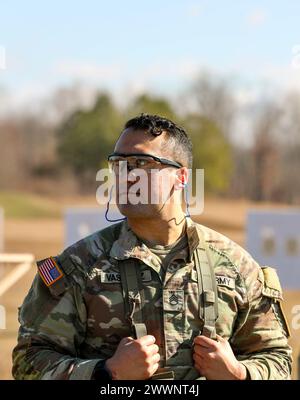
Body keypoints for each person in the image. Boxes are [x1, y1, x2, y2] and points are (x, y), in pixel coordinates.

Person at [12, 114, 292, 380]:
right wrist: (106, 372)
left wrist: (240, 374)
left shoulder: (236, 266)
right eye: (118, 165)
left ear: (181, 177)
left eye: (141, 164)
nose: (126, 176)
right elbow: (28, 361)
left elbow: (278, 358)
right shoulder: (80, 266)